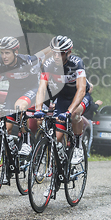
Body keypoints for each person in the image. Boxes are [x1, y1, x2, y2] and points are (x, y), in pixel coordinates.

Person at [0, 37, 50, 156]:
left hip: (31, 89)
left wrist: (54, 46)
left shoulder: (27, 60)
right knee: (6, 127)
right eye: (2, 53)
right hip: (14, 91)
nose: (4, 56)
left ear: (16, 52)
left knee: (19, 106)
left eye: (7, 53)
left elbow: (43, 53)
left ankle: (26, 141)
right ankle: (11, 158)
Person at [34, 35, 91, 165]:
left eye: (60, 54)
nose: (56, 57)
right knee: (57, 137)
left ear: (69, 52)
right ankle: (60, 161)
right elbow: (42, 88)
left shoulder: (77, 63)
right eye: (54, 53)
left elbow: (81, 90)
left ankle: (77, 146)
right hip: (62, 98)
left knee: (75, 114)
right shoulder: (48, 64)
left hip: (80, 96)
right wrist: (38, 109)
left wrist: (69, 111)